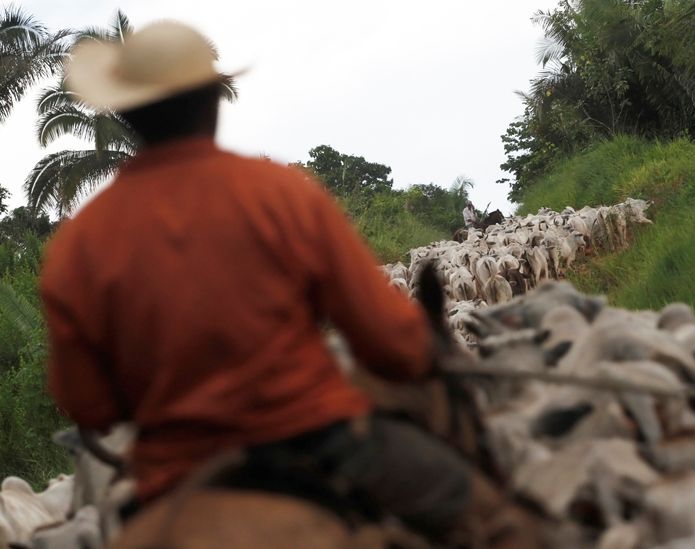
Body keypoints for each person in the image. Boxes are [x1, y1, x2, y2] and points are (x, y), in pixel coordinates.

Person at [40, 22, 540, 547]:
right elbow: (387, 340)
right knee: (505, 523)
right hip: (315, 443)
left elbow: (87, 404)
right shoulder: (280, 195)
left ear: (129, 115)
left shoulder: (78, 246)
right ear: (214, 101)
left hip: (172, 477)